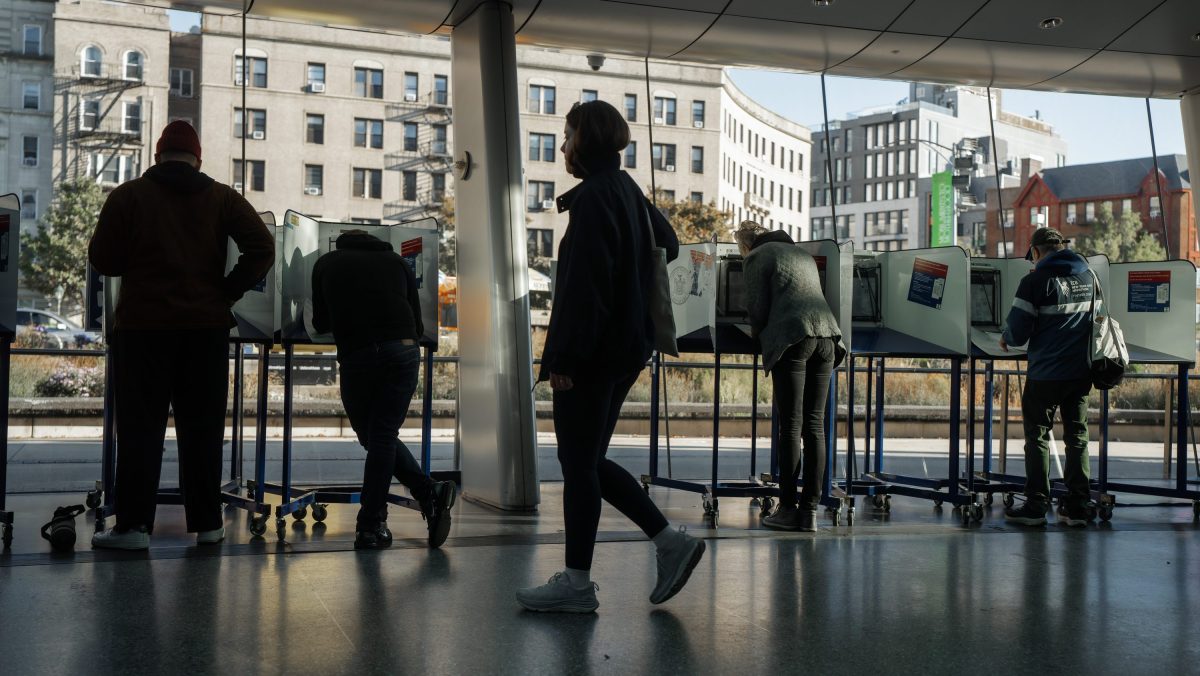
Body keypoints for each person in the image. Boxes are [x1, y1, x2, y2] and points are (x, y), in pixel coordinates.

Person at [516, 100, 704, 613]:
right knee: (588, 460)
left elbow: (585, 289)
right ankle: (670, 543)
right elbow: (667, 242)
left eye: (567, 134)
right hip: (626, 348)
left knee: (577, 465)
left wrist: (564, 360)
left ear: (586, 140)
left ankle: (577, 583)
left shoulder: (598, 198)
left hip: (594, 354)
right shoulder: (626, 191)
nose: (562, 145)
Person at [89, 120, 275, 549]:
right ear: (198, 158)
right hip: (204, 330)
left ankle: (133, 527)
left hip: (141, 330)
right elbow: (262, 248)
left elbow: (104, 260)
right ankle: (209, 523)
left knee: (140, 430)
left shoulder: (128, 195)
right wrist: (226, 290)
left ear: (157, 156)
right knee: (203, 428)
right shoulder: (222, 197)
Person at [311, 230, 456, 550]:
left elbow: (321, 323)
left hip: (359, 355)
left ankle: (371, 524)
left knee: (375, 437)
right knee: (381, 436)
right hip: (402, 353)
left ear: (341, 245)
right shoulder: (398, 262)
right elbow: (417, 325)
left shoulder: (326, 263)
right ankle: (427, 492)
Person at [737, 221, 844, 532]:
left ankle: (786, 509)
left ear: (747, 245)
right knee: (814, 426)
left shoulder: (758, 256)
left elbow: (757, 307)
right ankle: (809, 511)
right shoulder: (801, 255)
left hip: (793, 339)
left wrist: (754, 331)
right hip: (827, 338)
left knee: (790, 426)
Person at [1000, 227, 1095, 527]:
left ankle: (1036, 505)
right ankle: (1078, 506)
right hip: (1081, 371)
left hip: (1046, 373)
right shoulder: (1088, 277)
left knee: (1037, 436)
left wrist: (1005, 338)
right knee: (1077, 436)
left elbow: (1017, 332)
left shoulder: (1035, 281)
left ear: (1037, 252)